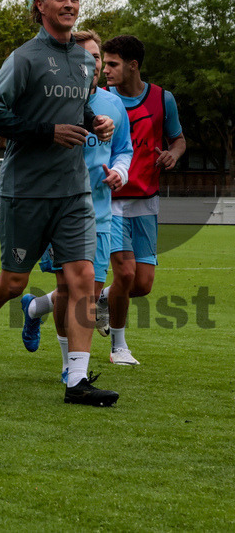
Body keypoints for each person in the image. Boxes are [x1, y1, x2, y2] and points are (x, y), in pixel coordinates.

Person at [0, 0, 118, 407]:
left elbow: (74, 110)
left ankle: (76, 381)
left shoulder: (85, 61)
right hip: (25, 190)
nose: (69, 4)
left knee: (82, 279)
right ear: (40, 6)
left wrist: (92, 122)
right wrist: (48, 131)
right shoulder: (24, 58)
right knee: (12, 283)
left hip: (74, 191)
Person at [19, 30, 132, 382]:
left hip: (100, 211)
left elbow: (123, 150)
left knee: (92, 292)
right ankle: (70, 365)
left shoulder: (114, 106)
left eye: (97, 57)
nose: (93, 64)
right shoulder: (51, 101)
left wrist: (119, 173)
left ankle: (36, 306)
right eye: (85, 57)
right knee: (69, 289)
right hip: (61, 207)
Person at [98, 34, 185, 365]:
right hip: (112, 199)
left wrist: (173, 154)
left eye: (112, 64)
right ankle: (119, 347)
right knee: (125, 276)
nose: (105, 70)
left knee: (143, 284)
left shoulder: (163, 99)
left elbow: (177, 140)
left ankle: (45, 304)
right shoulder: (101, 99)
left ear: (132, 66)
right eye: (104, 63)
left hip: (147, 201)